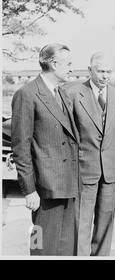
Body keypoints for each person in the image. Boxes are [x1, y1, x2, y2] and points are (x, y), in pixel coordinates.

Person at [11, 43, 80, 256]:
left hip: (68, 186)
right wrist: (29, 190)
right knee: (42, 248)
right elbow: (21, 148)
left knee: (67, 249)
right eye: (68, 64)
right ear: (53, 63)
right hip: (45, 189)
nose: (72, 69)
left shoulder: (62, 94)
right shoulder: (28, 94)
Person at [64, 52, 115, 256]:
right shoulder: (73, 93)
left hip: (111, 170)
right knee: (81, 221)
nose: (105, 76)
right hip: (84, 169)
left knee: (105, 220)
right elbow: (68, 135)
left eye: (109, 71)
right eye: (101, 71)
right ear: (90, 70)